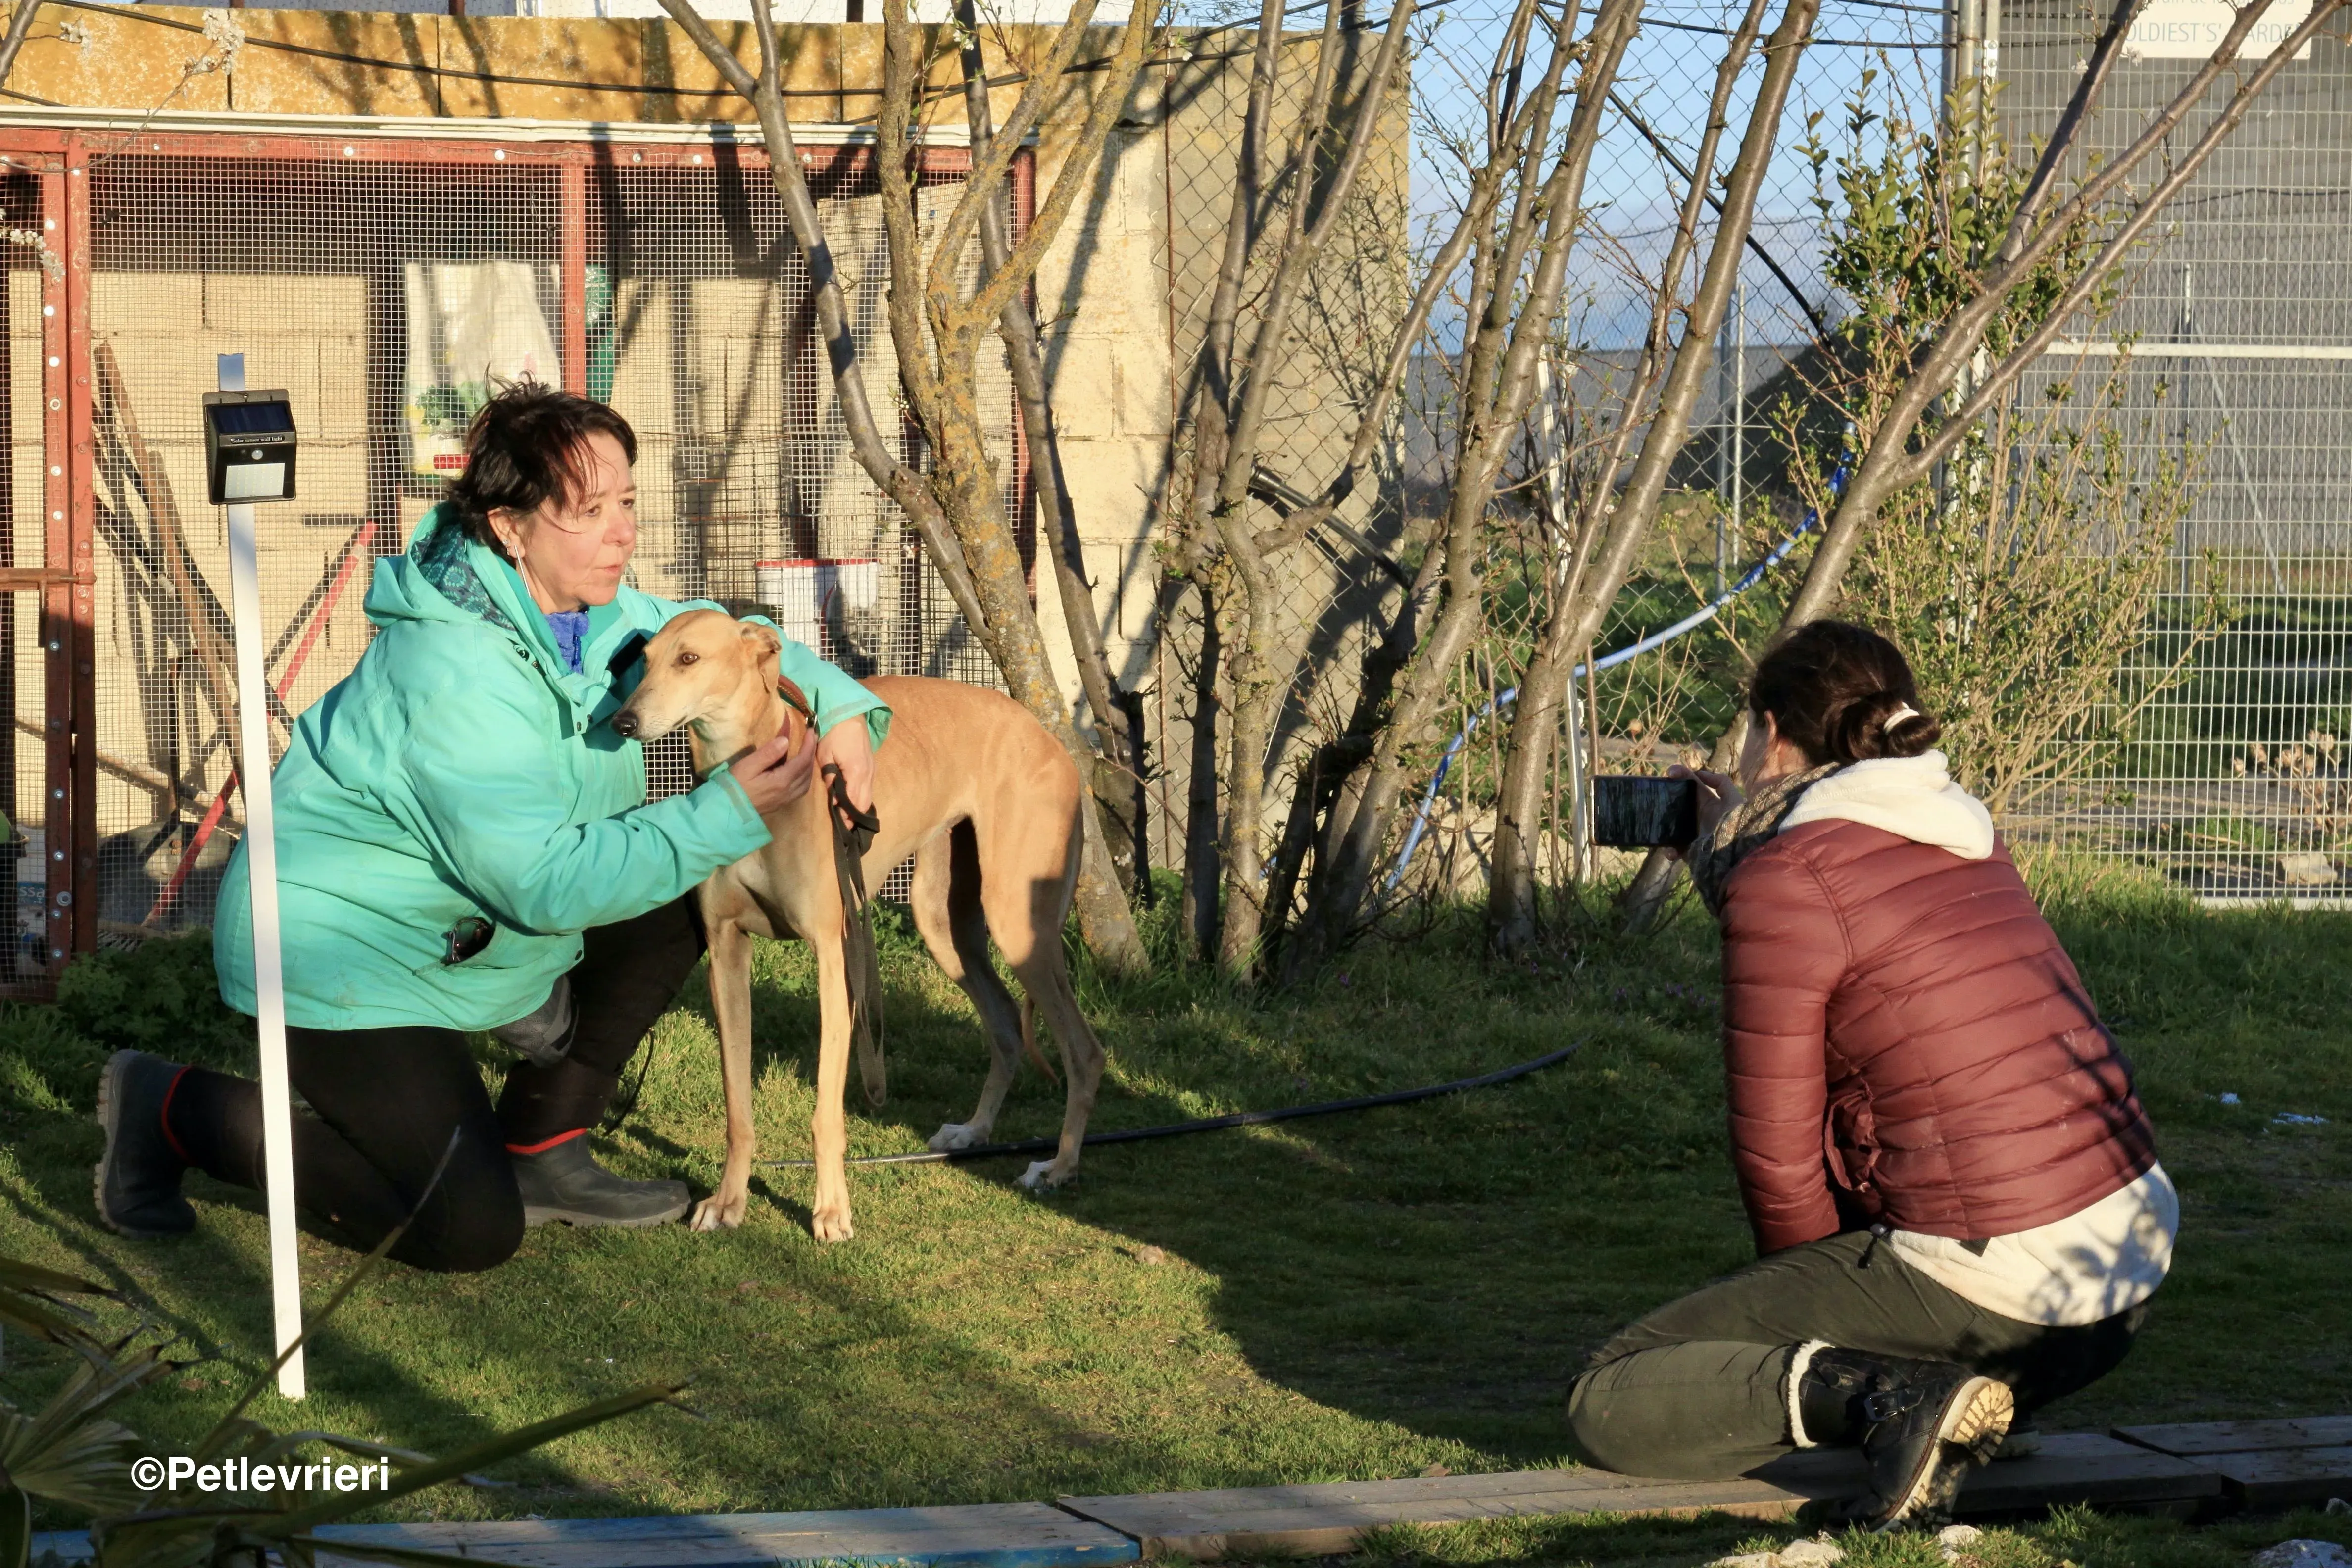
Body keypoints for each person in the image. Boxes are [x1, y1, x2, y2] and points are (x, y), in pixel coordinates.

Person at [90, 382, 890, 1271]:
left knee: (679, 893)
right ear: (511, 528)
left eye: (627, 502)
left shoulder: (596, 610)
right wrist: (723, 812)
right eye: (590, 511)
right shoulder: (451, 670)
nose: (623, 530)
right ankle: (171, 1109)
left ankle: (541, 1147)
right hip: (343, 954)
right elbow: (543, 886)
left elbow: (728, 633)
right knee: (468, 1230)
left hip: (466, 927)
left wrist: (842, 706)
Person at [1565, 620, 2173, 1530]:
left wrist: (1822, 1323)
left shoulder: (1791, 876)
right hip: (2119, 1281)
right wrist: (1725, 847)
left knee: (1610, 1396)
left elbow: (1774, 1153)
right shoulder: (1961, 833)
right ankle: (1953, 1399)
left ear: (1772, 732)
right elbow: (1835, 910)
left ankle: (1894, 1399)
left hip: (2000, 1282)